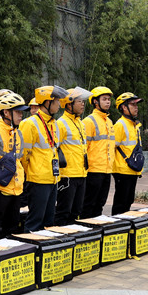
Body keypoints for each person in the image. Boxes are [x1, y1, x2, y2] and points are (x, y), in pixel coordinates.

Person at [20, 85, 67, 231]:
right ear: (47, 102)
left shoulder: (54, 124)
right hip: (38, 180)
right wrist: (34, 172)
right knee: (35, 221)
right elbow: (23, 156)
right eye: (57, 101)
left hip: (53, 179)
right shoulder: (30, 124)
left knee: (48, 222)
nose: (59, 104)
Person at [0, 92, 28, 242]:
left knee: (12, 230)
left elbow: (19, 160)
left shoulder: (18, 133)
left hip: (16, 189)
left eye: (21, 112)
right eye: (17, 112)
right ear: (6, 112)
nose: (21, 115)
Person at [55, 87, 91, 224]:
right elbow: (54, 148)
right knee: (64, 211)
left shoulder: (80, 124)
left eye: (83, 101)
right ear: (69, 104)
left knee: (76, 212)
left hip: (81, 174)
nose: (83, 104)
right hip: (67, 176)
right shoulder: (61, 123)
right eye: (79, 101)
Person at [82, 87, 116, 218]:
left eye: (109, 99)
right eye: (104, 99)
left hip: (107, 170)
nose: (108, 102)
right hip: (93, 171)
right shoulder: (88, 121)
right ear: (95, 102)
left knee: (100, 204)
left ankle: (96, 232)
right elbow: (83, 148)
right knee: (88, 204)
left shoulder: (109, 121)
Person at [111, 92, 144, 214]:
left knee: (128, 201)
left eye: (137, 104)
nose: (136, 107)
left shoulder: (134, 125)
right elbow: (112, 147)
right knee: (121, 203)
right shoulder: (120, 125)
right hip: (122, 171)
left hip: (132, 170)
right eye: (133, 104)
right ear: (124, 107)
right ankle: (117, 227)